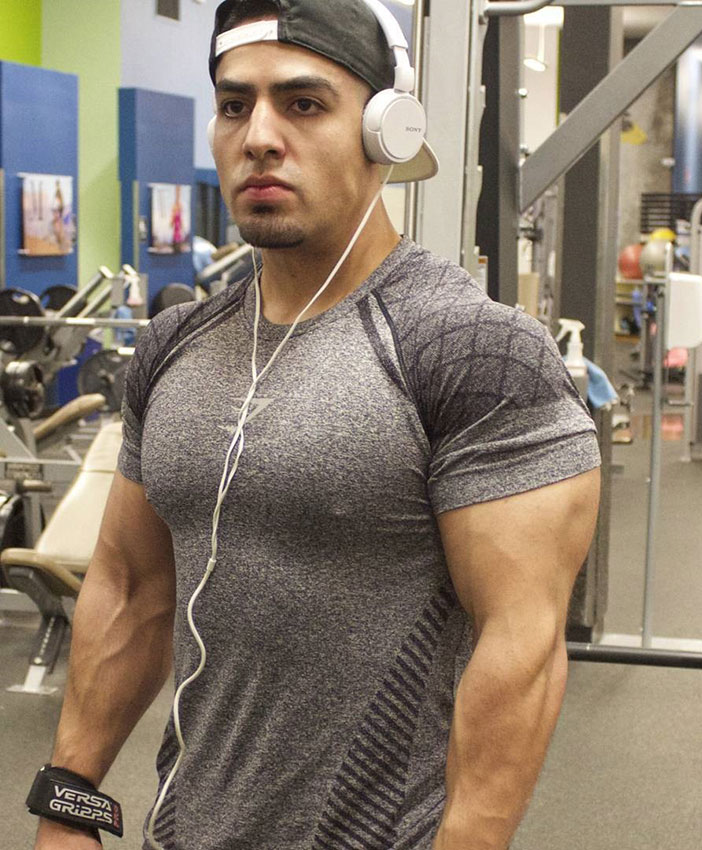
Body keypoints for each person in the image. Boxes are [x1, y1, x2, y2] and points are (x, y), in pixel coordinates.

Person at [30, 1, 601, 849]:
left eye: (302, 103)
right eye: (234, 105)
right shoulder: (173, 345)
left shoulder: (471, 350)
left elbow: (521, 646)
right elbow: (131, 588)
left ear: (386, 131)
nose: (259, 135)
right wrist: (68, 805)